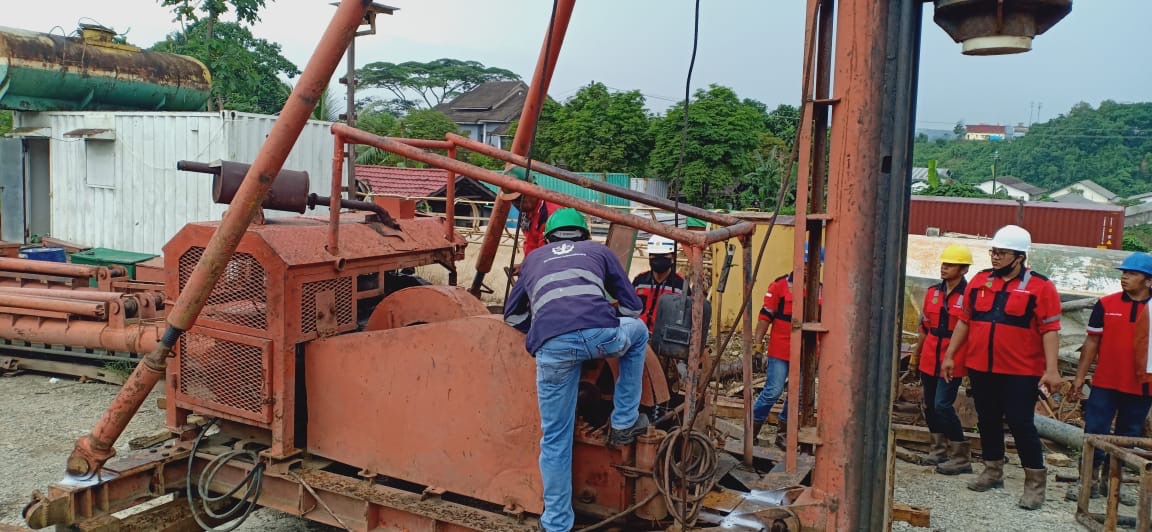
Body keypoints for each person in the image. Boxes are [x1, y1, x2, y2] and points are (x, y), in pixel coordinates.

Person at [503, 208, 650, 532]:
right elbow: (633, 308)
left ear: (549, 236)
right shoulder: (599, 251)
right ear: (584, 234)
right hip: (601, 337)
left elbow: (511, 317)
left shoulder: (533, 260)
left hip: (553, 348)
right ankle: (625, 421)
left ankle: (556, 524)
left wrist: (546, 327)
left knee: (554, 438)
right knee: (638, 333)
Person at [941, 225, 1063, 510]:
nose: (995, 257)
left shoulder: (1040, 287)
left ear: (1019, 256)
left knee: (1021, 423)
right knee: (988, 420)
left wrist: (1052, 369)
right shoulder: (980, 281)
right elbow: (964, 321)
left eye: (1002, 252)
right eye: (993, 251)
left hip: (1021, 371)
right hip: (982, 368)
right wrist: (950, 355)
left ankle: (1034, 484)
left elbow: (1050, 330)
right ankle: (993, 471)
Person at [1066, 252, 1152, 500]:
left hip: (1141, 385)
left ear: (1148, 281)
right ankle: (1087, 481)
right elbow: (1092, 342)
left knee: (1129, 435)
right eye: (1123, 273)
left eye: (1132, 273)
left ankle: (1114, 481)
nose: (1124, 277)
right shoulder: (1107, 304)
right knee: (1094, 430)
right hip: (1106, 382)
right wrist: (1080, 377)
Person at [910, 244, 975, 475]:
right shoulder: (932, 293)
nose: (944, 268)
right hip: (930, 355)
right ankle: (937, 451)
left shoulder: (970, 296)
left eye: (950, 265)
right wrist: (916, 356)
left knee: (942, 405)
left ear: (963, 269)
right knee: (929, 404)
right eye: (943, 264)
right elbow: (924, 329)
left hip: (953, 358)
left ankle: (960, 456)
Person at [750, 245, 822, 447]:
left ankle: (783, 434)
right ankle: (752, 428)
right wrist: (757, 344)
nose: (807, 267)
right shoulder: (779, 286)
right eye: (804, 263)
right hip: (780, 350)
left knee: (797, 395)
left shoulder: (821, 291)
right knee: (773, 390)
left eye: (812, 263)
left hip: (806, 353)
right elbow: (765, 317)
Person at [632, 235, 686, 332]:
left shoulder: (680, 285)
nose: (658, 259)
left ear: (673, 257)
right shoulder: (639, 281)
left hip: (666, 339)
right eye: (654, 255)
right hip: (638, 335)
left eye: (663, 255)